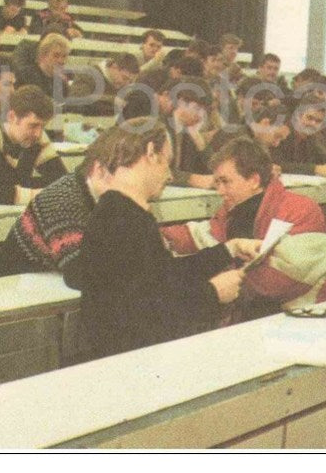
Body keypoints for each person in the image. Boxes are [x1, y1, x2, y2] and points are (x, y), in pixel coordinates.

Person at [78, 119, 259, 360]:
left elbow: (161, 277)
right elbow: (145, 311)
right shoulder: (122, 219)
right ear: (152, 153)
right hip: (128, 360)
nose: (171, 175)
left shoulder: (123, 211)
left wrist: (228, 249)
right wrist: (213, 292)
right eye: (167, 162)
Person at [163, 137, 326, 319]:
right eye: (217, 183)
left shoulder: (301, 209)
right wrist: (156, 238)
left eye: (225, 182)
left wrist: (216, 283)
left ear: (254, 180)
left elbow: (283, 277)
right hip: (263, 315)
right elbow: (201, 235)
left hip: (313, 312)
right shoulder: (230, 212)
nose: (220, 191)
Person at [0, 127, 120, 287]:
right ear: (100, 170)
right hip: (10, 293)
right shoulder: (62, 200)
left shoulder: (113, 199)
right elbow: (79, 275)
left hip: (47, 290)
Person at [270, 95, 326, 177]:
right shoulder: (282, 132)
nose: (313, 124)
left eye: (318, 121)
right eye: (309, 118)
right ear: (298, 115)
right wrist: (315, 169)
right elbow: (277, 164)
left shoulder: (314, 138)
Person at [67, 52, 140, 116]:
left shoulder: (124, 86)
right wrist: (112, 100)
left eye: (130, 82)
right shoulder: (87, 74)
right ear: (114, 67)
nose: (126, 84)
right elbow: (77, 99)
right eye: (124, 78)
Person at [13, 31, 70, 103]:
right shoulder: (25, 76)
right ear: (43, 56)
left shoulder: (62, 85)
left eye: (64, 56)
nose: (61, 61)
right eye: (56, 55)